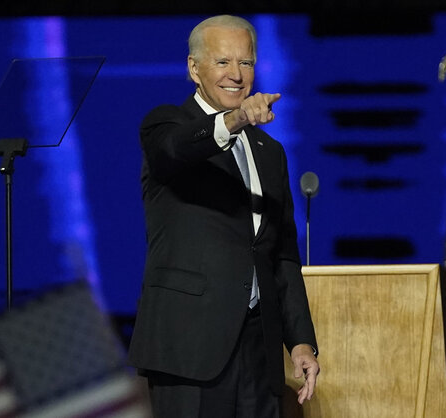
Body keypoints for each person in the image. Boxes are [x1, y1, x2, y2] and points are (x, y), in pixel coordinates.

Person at [128, 15, 319, 417]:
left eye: (246, 63)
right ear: (193, 69)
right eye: (222, 62)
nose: (236, 74)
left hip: (258, 349)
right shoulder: (165, 126)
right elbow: (176, 150)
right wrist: (236, 120)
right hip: (189, 347)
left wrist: (300, 340)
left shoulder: (270, 151)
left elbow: (281, 255)